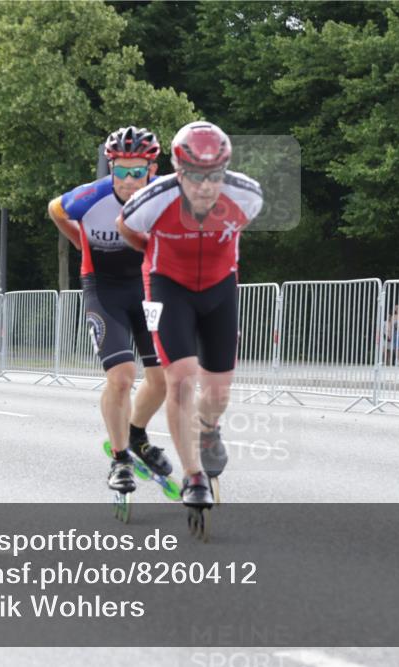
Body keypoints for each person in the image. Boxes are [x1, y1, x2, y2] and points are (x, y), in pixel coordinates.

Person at [117, 121, 263, 508]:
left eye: (215, 176)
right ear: (178, 171)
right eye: (195, 177)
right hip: (167, 287)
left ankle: (210, 429)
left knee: (218, 390)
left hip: (219, 289)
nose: (205, 186)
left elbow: (239, 228)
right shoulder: (153, 199)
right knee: (180, 378)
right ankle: (192, 474)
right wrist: (154, 251)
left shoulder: (247, 195)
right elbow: (128, 229)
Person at [47, 126, 173, 494]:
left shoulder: (165, 196)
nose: (129, 180)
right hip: (103, 290)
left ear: (153, 169)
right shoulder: (90, 197)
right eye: (120, 170)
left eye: (138, 171)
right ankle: (119, 460)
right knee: (120, 377)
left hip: (147, 288)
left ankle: (137, 436)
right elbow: (56, 209)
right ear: (109, 167)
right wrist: (80, 243)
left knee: (162, 379)